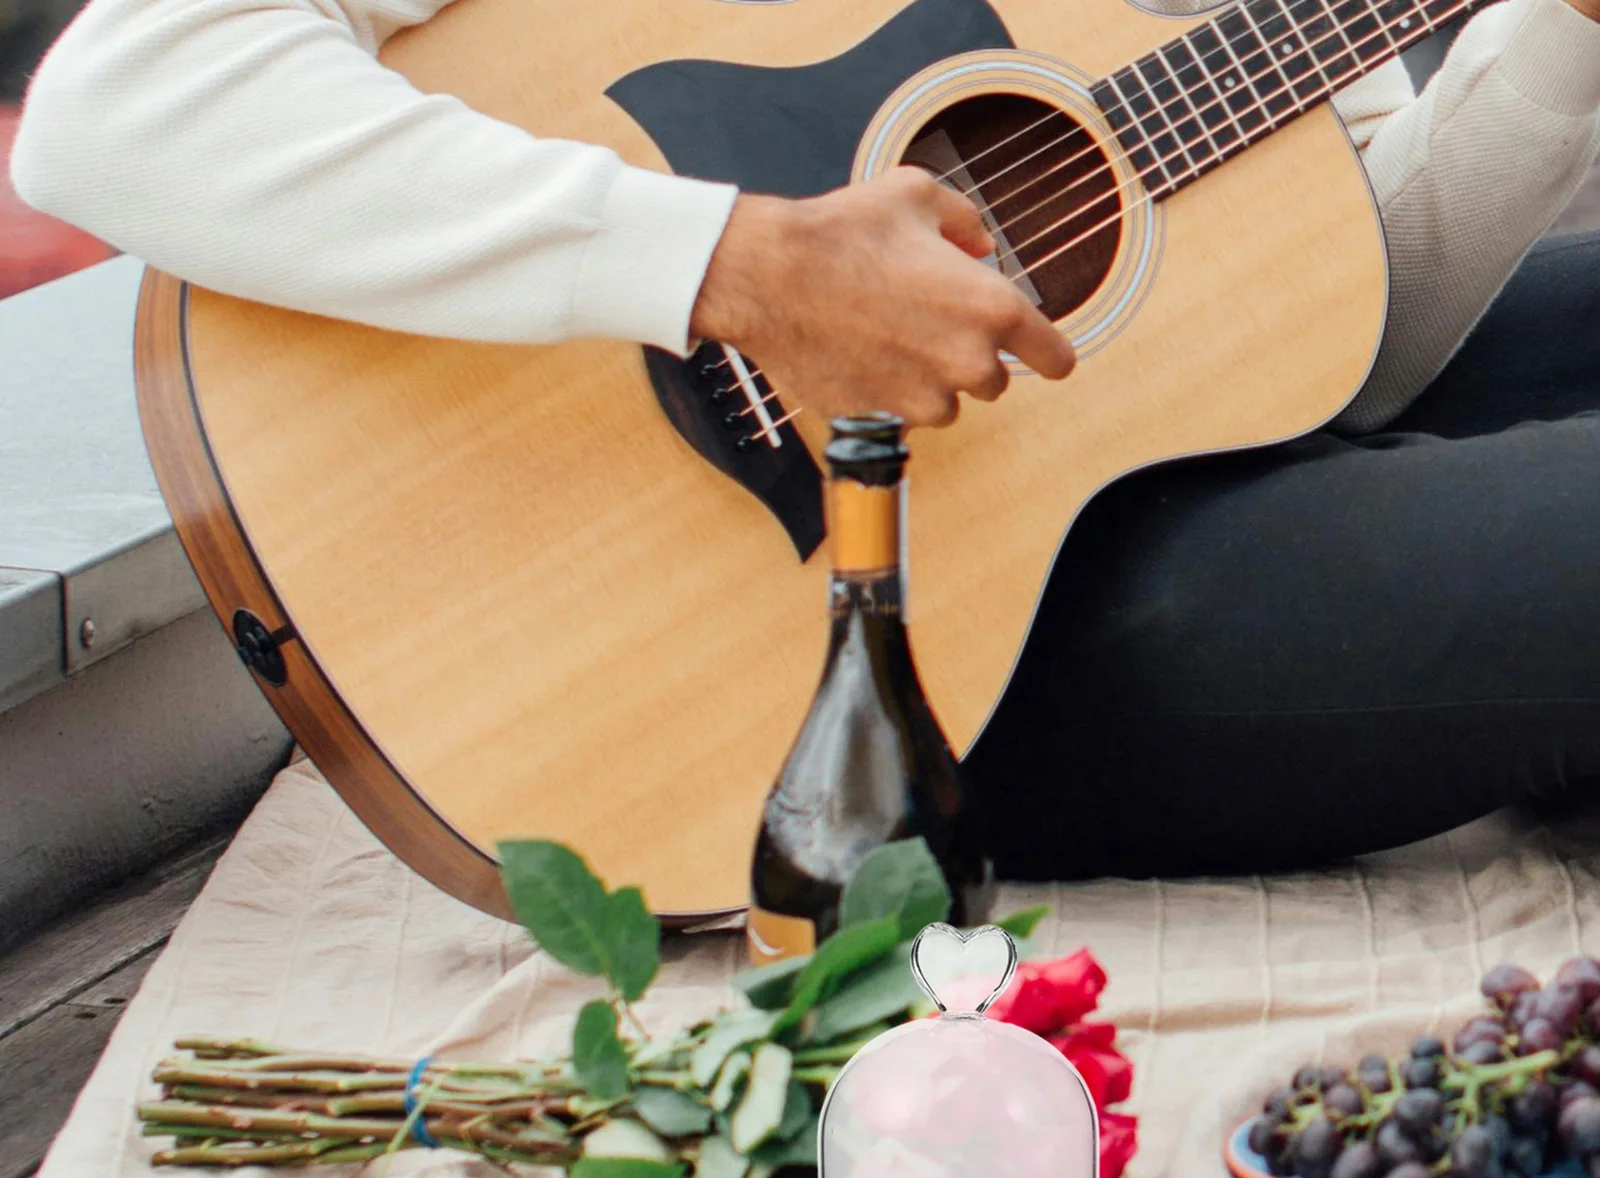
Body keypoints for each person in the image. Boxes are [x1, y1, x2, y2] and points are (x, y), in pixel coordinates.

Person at [10, 0, 1600, 880]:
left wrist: (1558, 37)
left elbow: (1331, 336)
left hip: (1103, 470)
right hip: (890, 659)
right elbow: (119, 101)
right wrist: (738, 265)